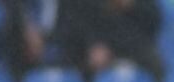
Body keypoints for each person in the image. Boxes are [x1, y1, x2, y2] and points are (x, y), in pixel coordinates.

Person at [9, 0, 161, 76]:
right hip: (73, 53)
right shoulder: (16, 7)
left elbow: (152, 19)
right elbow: (83, 22)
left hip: (125, 50)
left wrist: (130, 4)